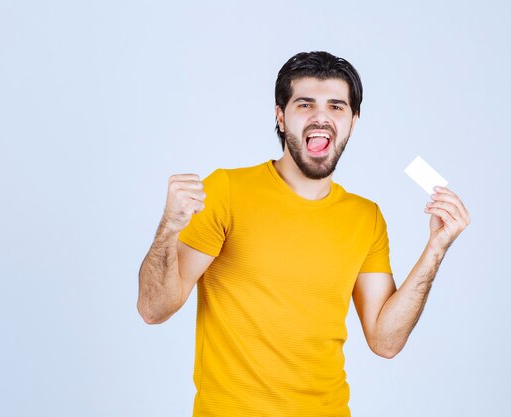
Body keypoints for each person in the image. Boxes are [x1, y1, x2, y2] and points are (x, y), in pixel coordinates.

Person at [137, 51, 470, 417]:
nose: (321, 116)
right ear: (281, 117)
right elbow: (154, 310)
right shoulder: (227, 191)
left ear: (353, 122)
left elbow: (385, 340)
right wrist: (169, 228)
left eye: (336, 107)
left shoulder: (366, 217)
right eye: (305, 104)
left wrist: (436, 248)